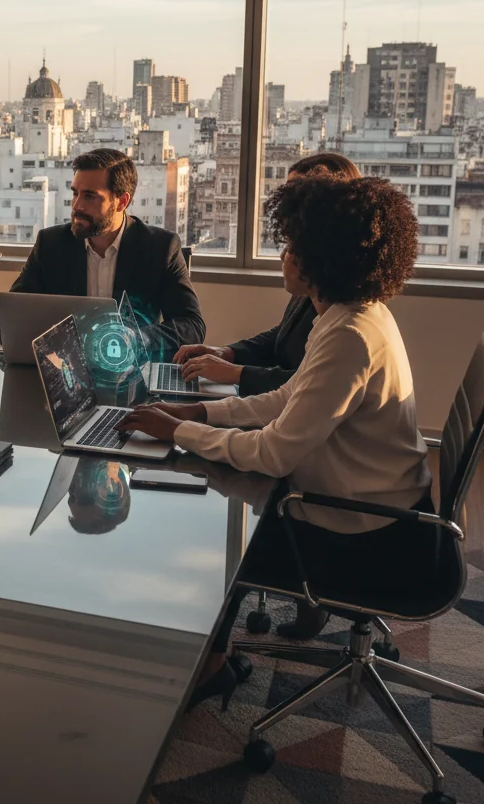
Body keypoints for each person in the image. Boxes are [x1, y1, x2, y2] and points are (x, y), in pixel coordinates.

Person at [117, 173, 433, 707]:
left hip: (368, 536)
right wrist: (199, 412)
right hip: (382, 507)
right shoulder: (352, 315)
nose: (283, 256)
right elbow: (287, 398)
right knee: (213, 493)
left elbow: (274, 451)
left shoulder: (351, 335)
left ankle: (204, 671)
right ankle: (207, 659)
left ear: (322, 256)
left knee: (211, 538)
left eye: (292, 245)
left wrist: (181, 432)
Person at [174, 152, 362, 396]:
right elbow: (282, 336)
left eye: (296, 195)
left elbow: (309, 382)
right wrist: (226, 353)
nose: (286, 205)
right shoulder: (315, 277)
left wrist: (235, 373)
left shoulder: (346, 314)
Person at [5, 148, 205, 347]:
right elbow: (8, 314)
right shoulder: (51, 244)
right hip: (64, 368)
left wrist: (138, 339)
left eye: (90, 196)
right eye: (75, 193)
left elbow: (192, 326)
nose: (77, 206)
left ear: (122, 202)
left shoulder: (159, 248)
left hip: (132, 371)